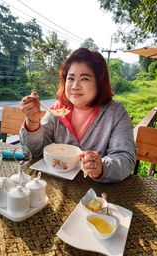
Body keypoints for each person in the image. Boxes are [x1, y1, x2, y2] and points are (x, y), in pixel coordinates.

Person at [19, 48, 136, 183]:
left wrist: (101, 167)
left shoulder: (115, 113)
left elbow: (125, 158)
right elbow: (33, 152)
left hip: (98, 195)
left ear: (99, 83)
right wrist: (32, 121)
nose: (75, 85)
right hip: (55, 185)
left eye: (85, 78)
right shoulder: (58, 109)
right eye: (71, 78)